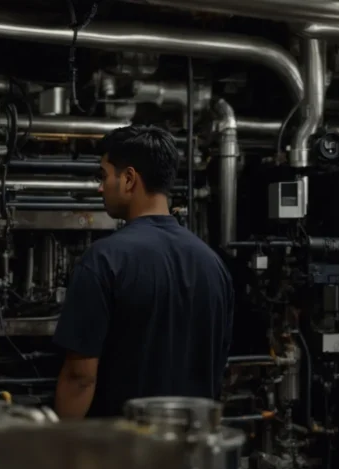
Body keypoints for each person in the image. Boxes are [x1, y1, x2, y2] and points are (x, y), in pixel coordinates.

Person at [52, 124, 234, 419]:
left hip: (125, 454)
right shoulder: (214, 265)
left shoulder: (104, 260)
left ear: (128, 179)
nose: (100, 187)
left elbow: (80, 378)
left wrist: (59, 453)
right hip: (189, 452)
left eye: (104, 176)